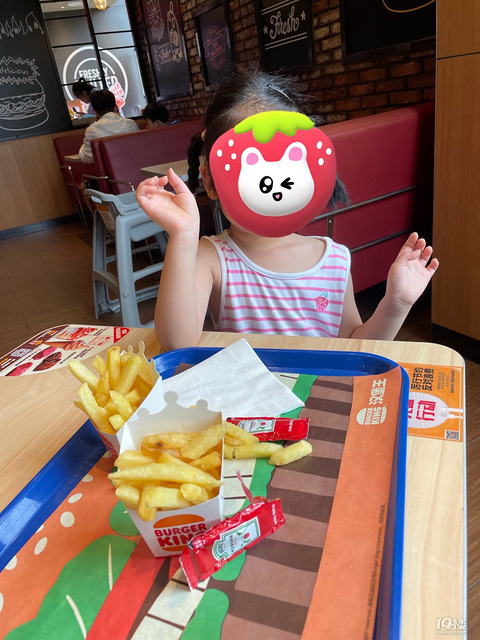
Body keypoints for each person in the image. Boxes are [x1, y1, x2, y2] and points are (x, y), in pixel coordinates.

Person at [136, 69, 438, 350]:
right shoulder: (212, 258)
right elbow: (177, 342)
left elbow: (354, 347)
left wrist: (396, 303)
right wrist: (183, 234)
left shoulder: (334, 259)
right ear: (211, 182)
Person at [78, 89, 139, 163]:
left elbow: (87, 157)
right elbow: (139, 148)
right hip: (136, 166)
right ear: (115, 107)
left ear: (94, 111)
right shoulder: (131, 124)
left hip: (110, 169)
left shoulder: (92, 130)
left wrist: (82, 149)